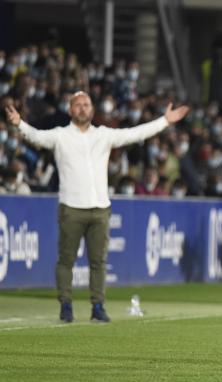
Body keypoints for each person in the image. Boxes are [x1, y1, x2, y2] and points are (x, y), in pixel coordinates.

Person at [5, 91, 189, 323]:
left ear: (92, 109)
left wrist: (164, 121)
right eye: (78, 105)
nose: (82, 108)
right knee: (66, 260)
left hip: (100, 208)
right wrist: (19, 124)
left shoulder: (103, 135)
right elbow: (37, 137)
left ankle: (98, 306)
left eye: (86, 104)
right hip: (71, 207)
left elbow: (135, 133)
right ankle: (66, 303)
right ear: (71, 110)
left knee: (99, 261)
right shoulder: (61, 136)